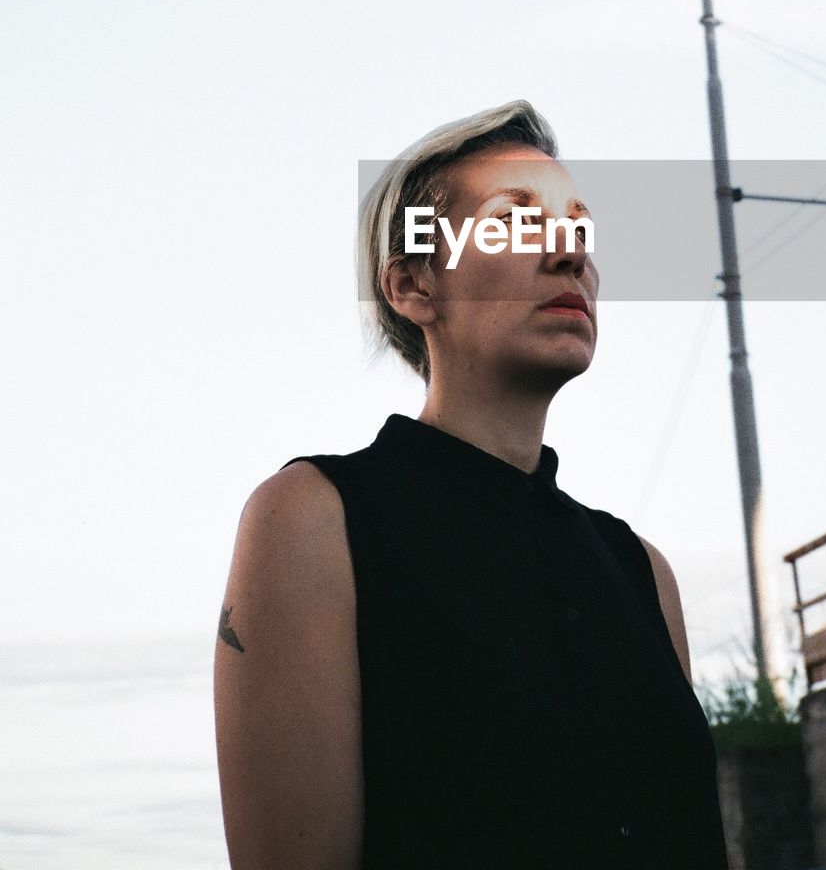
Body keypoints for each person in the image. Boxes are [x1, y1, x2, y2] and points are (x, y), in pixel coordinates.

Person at [213, 100, 729, 869]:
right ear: (413, 285)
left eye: (579, 229)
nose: (569, 254)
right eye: (515, 222)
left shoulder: (639, 570)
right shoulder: (314, 521)